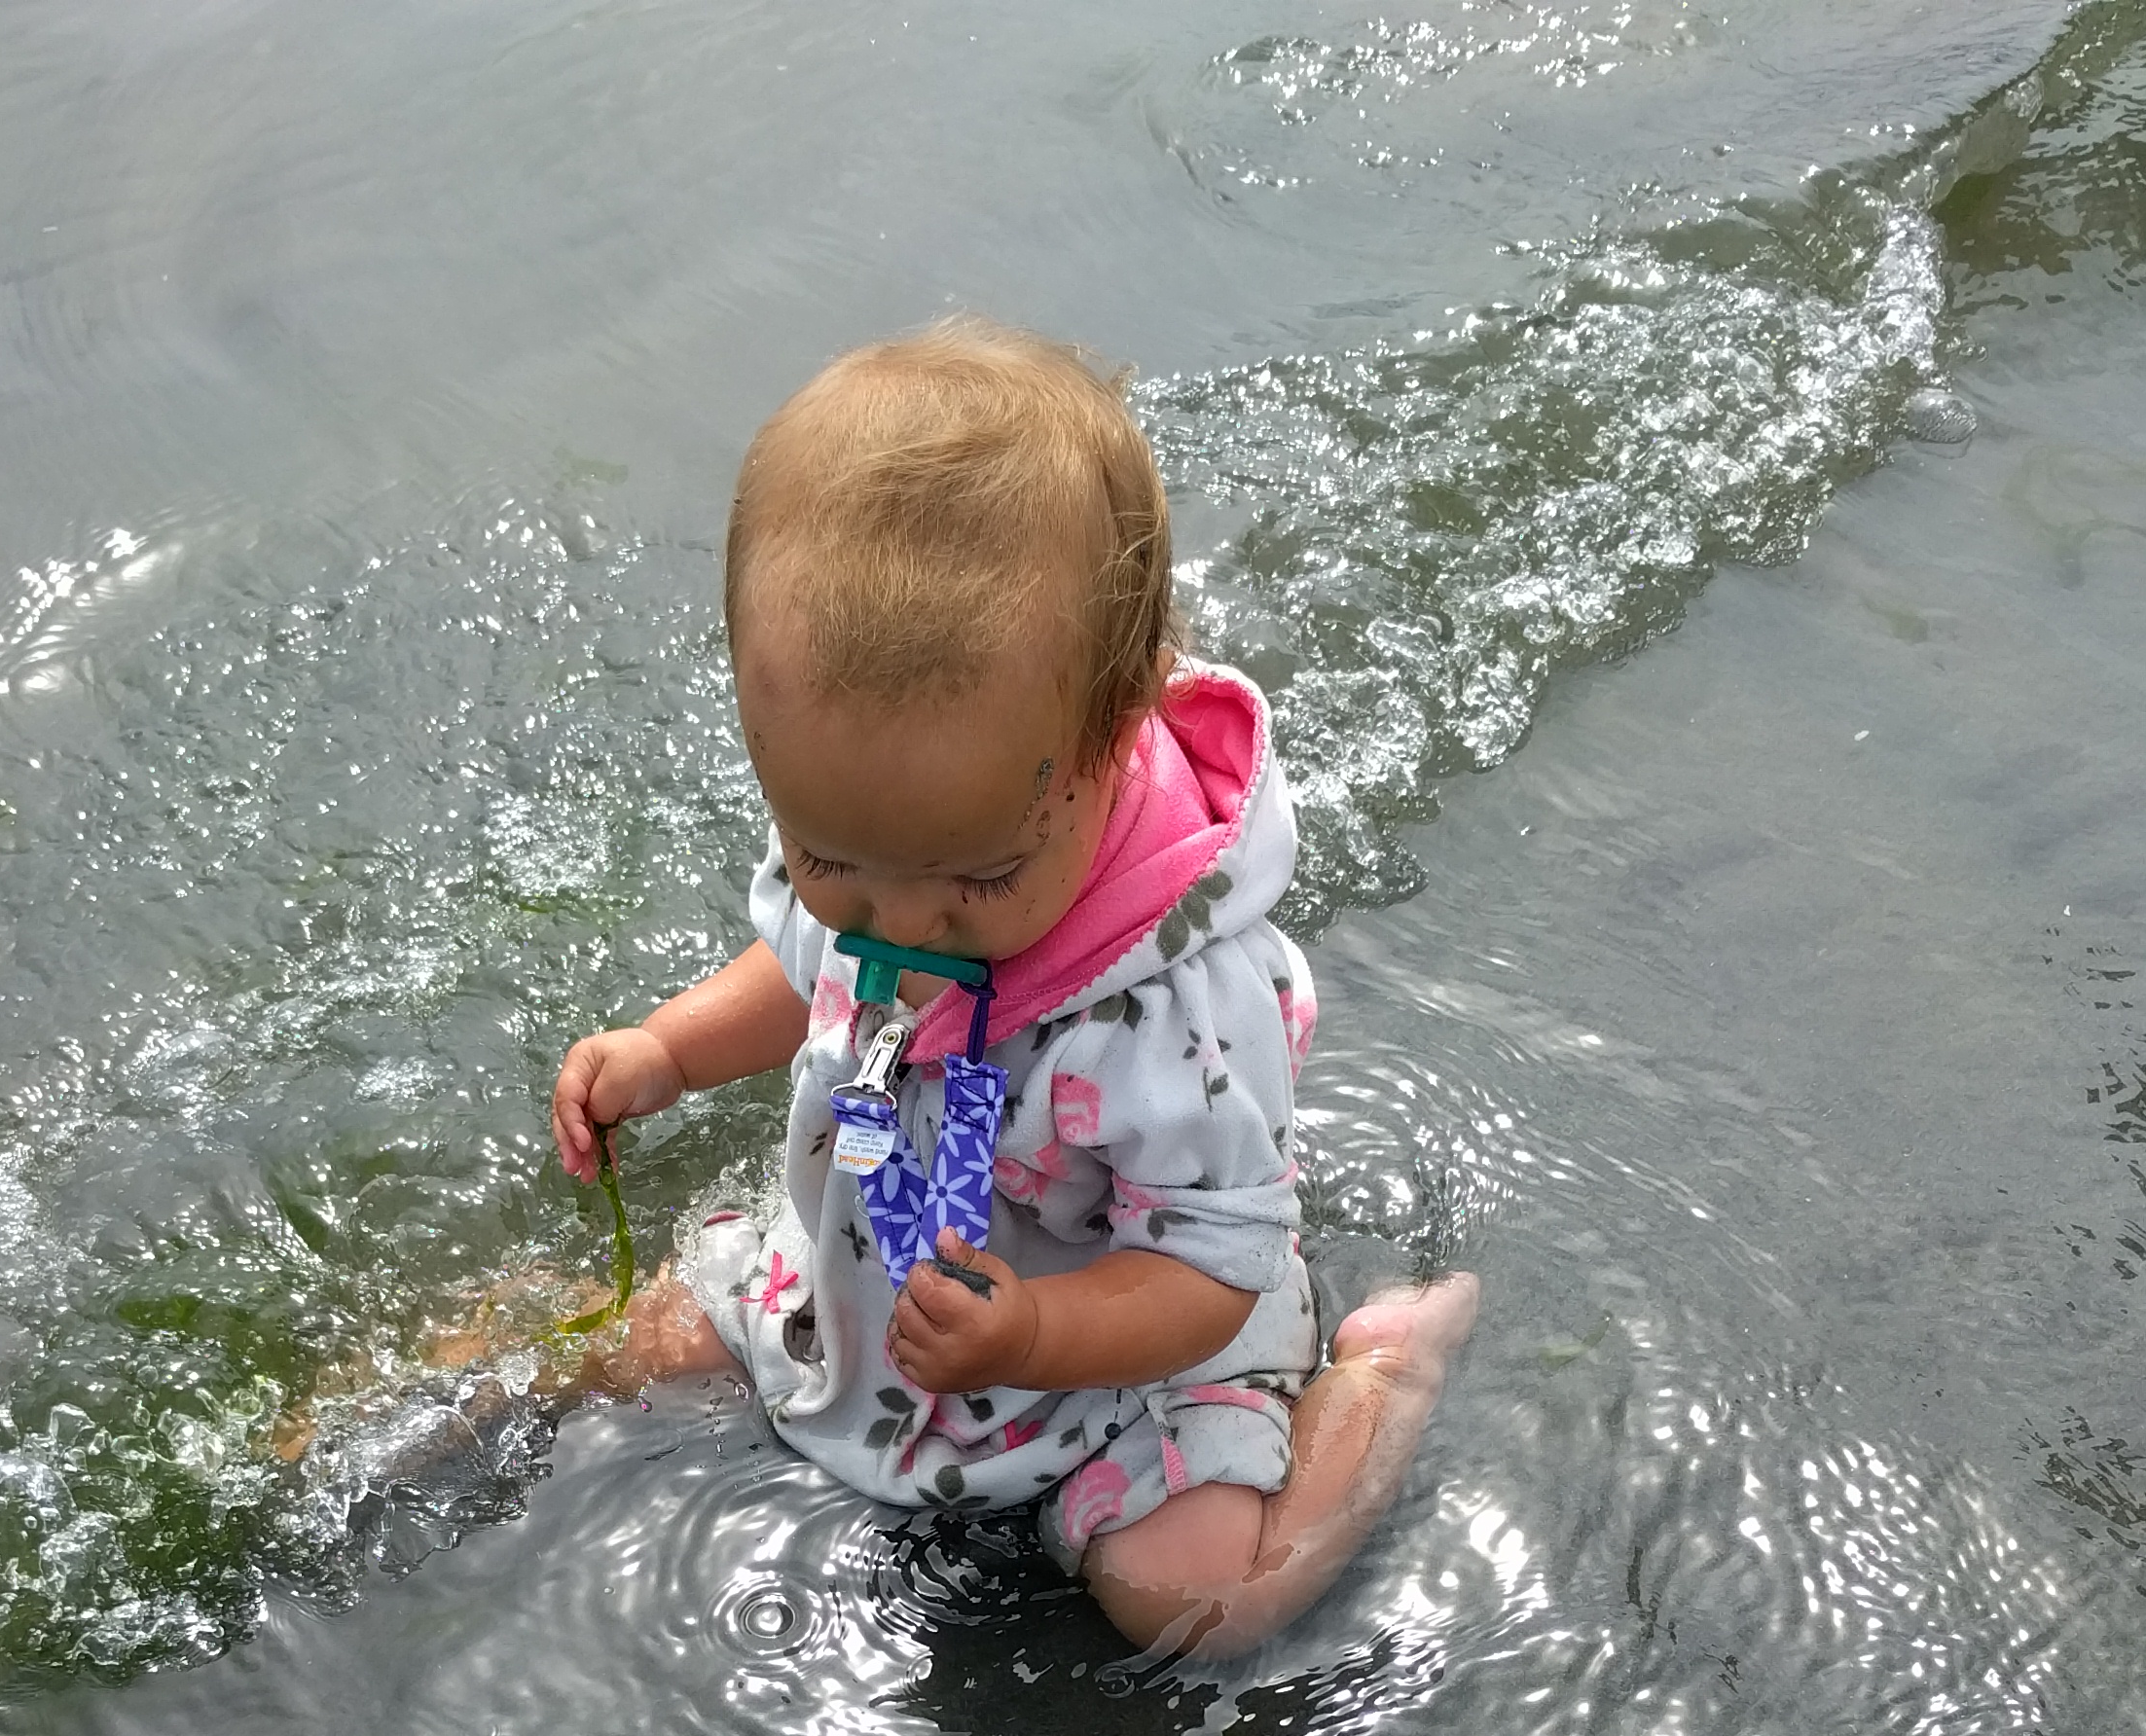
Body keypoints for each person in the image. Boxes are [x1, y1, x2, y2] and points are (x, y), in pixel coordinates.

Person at [546, 318, 1478, 1659]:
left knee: (1193, 1601)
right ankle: (391, 1412)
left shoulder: (1173, 1012)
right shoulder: (899, 844)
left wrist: (1036, 1332)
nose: (901, 925)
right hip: (876, 1280)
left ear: (1116, 733)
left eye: (976, 878)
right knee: (641, 1346)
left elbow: (1209, 1271)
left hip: (1121, 1351)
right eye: (828, 862)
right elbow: (810, 970)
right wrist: (669, 1050)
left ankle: (1385, 1373)